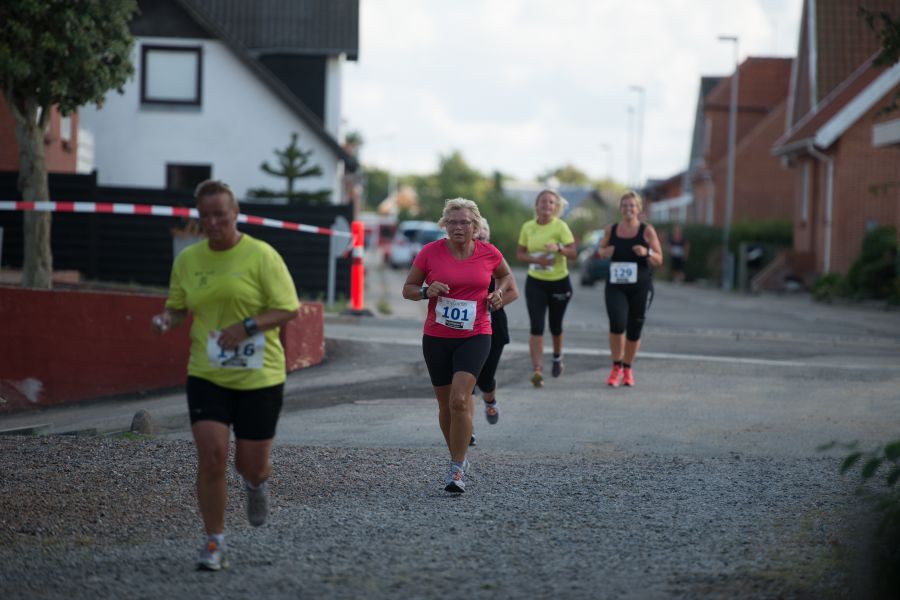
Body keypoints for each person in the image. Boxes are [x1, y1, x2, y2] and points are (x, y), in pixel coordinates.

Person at [151, 180, 299, 571]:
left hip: (259, 377)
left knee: (249, 463)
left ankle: (256, 482)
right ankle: (214, 541)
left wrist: (248, 326)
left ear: (235, 214)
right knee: (212, 455)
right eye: (206, 216)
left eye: (221, 214)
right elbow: (179, 306)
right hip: (207, 372)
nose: (213, 222)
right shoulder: (189, 260)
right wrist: (168, 319)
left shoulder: (261, 256)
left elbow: (288, 308)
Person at [402, 198, 517, 493]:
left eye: (464, 222)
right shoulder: (430, 253)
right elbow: (408, 290)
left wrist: (498, 295)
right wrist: (428, 291)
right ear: (444, 225)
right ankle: (458, 454)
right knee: (445, 406)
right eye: (452, 222)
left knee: (459, 399)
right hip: (437, 337)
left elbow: (507, 279)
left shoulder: (489, 253)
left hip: (476, 334)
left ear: (475, 226)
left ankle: (456, 469)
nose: (458, 227)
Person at [596, 191, 663, 388]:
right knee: (617, 324)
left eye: (632, 205)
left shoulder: (646, 231)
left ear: (639, 208)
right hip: (616, 286)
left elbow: (659, 259)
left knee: (634, 329)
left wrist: (647, 252)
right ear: (620, 208)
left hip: (640, 286)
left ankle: (628, 368)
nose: (628, 209)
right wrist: (604, 252)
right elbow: (599, 251)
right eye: (625, 205)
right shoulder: (611, 229)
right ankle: (616, 366)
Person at [516, 189, 577, 387]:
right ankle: (537, 370)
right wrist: (537, 259)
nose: (547, 205)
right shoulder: (528, 227)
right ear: (537, 205)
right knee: (537, 326)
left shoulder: (561, 227)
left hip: (559, 281)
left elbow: (574, 253)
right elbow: (520, 254)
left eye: (551, 202)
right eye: (543, 201)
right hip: (536, 282)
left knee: (555, 326)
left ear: (556, 207)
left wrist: (559, 248)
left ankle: (557, 357)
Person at [469, 218, 519, 446]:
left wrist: (494, 303)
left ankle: (490, 400)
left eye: (483, 236)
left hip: (493, 325)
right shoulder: (459, 259)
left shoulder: (494, 257)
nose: (480, 239)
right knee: (466, 379)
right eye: (476, 235)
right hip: (466, 327)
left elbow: (513, 292)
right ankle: (466, 429)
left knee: (484, 379)